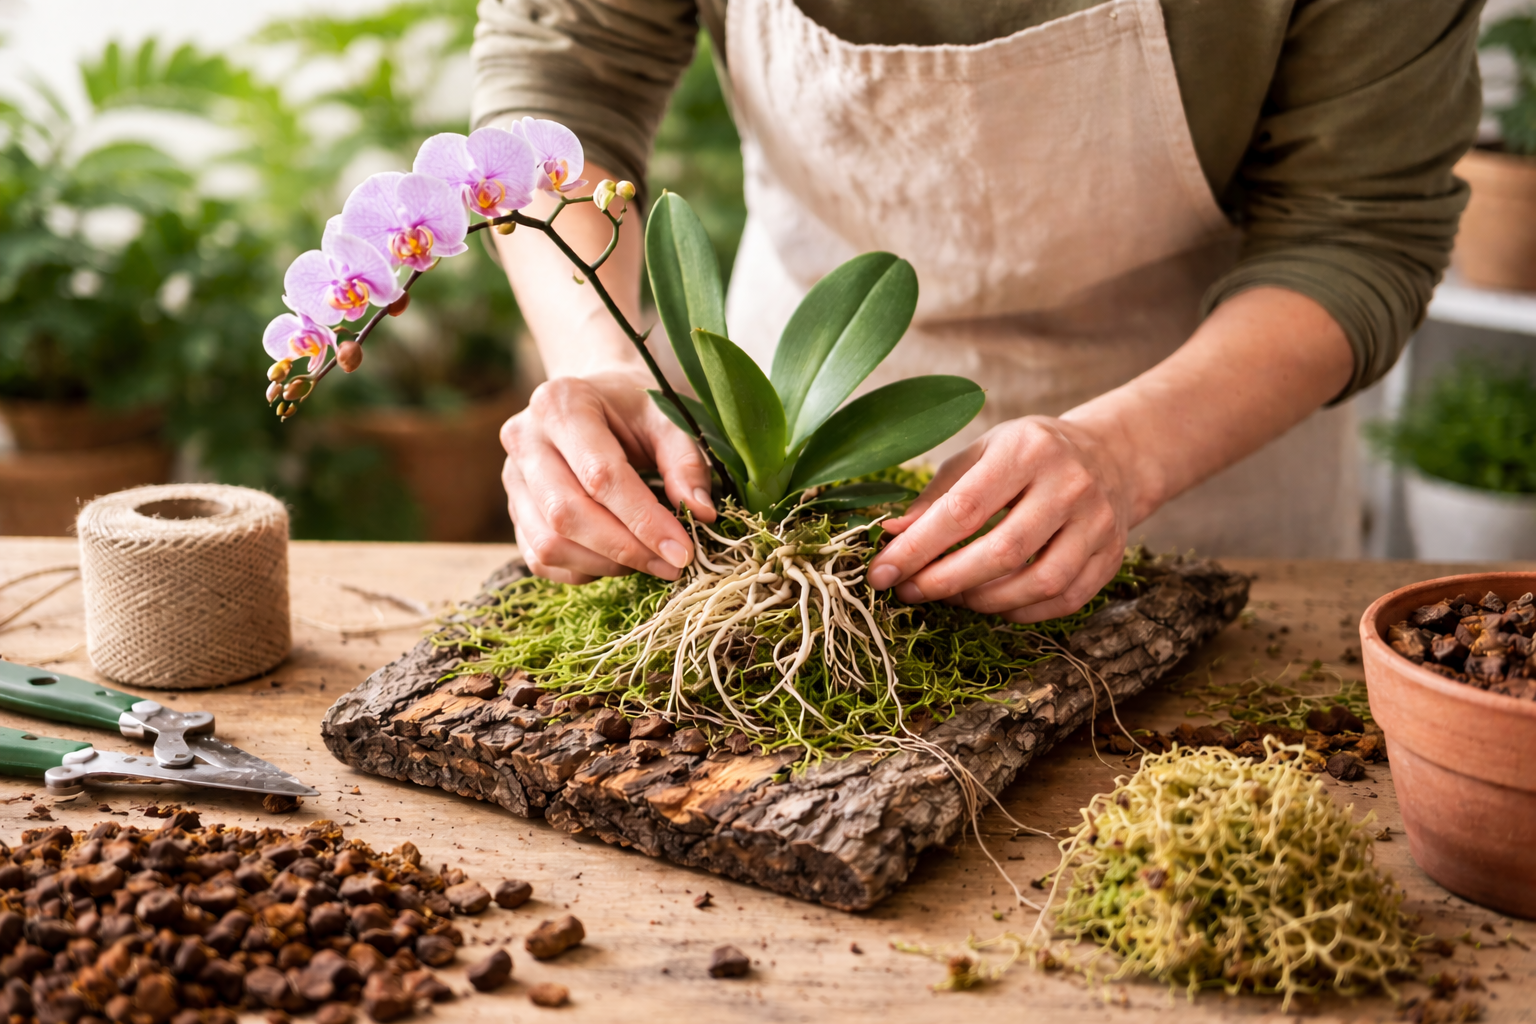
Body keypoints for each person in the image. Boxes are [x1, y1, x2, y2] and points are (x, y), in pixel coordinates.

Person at [475, 0, 1481, 622]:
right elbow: (559, 81)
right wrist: (601, 356)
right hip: (809, 412)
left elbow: (1359, 225)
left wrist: (1127, 456)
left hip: (1207, 436)